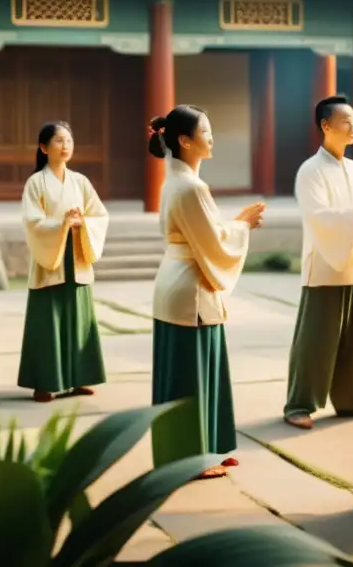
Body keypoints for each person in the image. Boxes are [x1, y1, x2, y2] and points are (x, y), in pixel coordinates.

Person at [148, 105, 266, 480]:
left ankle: (208, 448)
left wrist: (235, 226)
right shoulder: (190, 186)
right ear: (184, 141)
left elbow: (206, 235)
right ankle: (192, 457)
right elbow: (213, 243)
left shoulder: (176, 182)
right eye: (205, 132)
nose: (211, 137)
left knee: (197, 370)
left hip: (180, 281)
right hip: (190, 288)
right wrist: (243, 226)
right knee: (191, 375)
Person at [283, 95, 353, 430]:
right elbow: (319, 217)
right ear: (325, 126)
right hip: (325, 264)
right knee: (316, 339)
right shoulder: (309, 171)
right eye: (346, 121)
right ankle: (299, 403)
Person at [17, 121, 110, 403]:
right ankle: (44, 382)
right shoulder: (35, 183)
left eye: (68, 140)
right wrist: (62, 224)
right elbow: (33, 223)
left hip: (78, 257)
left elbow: (100, 215)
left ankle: (78, 378)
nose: (65, 145)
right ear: (44, 148)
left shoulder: (80, 182)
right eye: (58, 141)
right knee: (48, 322)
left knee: (79, 320)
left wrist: (81, 223)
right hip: (51, 259)